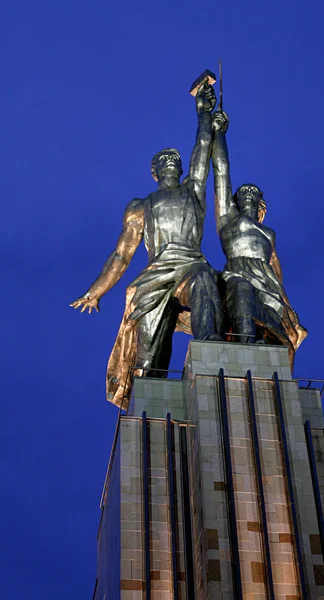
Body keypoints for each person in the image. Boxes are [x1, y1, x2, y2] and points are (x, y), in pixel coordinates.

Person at [70, 83, 223, 409]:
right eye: (163, 159)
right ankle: (149, 400)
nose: (171, 160)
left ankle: (214, 353)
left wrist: (203, 114)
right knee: (149, 355)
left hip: (190, 264)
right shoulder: (139, 206)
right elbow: (121, 255)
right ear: (154, 171)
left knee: (206, 280)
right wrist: (95, 292)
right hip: (157, 273)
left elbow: (202, 148)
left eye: (174, 158)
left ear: (181, 169)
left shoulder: (193, 190)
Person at [211, 109, 307, 367]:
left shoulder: (269, 233)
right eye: (244, 192)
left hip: (268, 282)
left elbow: (275, 267)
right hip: (239, 271)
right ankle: (245, 345)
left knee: (273, 323)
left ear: (262, 206)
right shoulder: (228, 221)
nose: (248, 194)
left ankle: (266, 349)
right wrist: (219, 134)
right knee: (241, 293)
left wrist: (286, 301)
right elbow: (221, 171)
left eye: (253, 192)